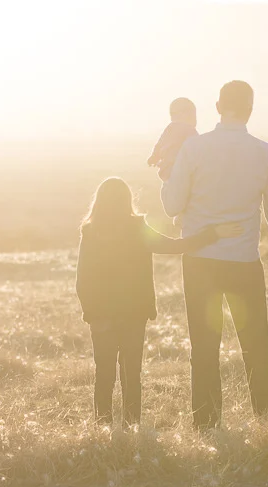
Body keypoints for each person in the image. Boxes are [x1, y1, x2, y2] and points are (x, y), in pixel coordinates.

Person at [161, 80, 268, 430]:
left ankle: (207, 425)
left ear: (216, 106)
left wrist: (165, 174)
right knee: (256, 344)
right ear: (251, 109)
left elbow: (170, 206)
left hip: (199, 261)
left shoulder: (194, 148)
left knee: (204, 347)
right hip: (243, 261)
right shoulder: (264, 152)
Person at [76, 177, 240, 427]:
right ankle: (132, 427)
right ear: (127, 201)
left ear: (98, 202)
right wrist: (212, 234)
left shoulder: (90, 232)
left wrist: (90, 311)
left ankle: (103, 427)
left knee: (104, 374)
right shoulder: (136, 228)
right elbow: (175, 246)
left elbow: (82, 277)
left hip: (101, 315)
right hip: (134, 313)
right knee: (132, 374)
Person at [146, 97, 198, 181]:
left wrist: (154, 157)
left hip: (167, 168)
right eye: (193, 114)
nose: (195, 118)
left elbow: (160, 144)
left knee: (169, 188)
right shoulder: (189, 129)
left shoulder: (169, 128)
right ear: (183, 114)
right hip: (181, 169)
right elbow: (197, 147)